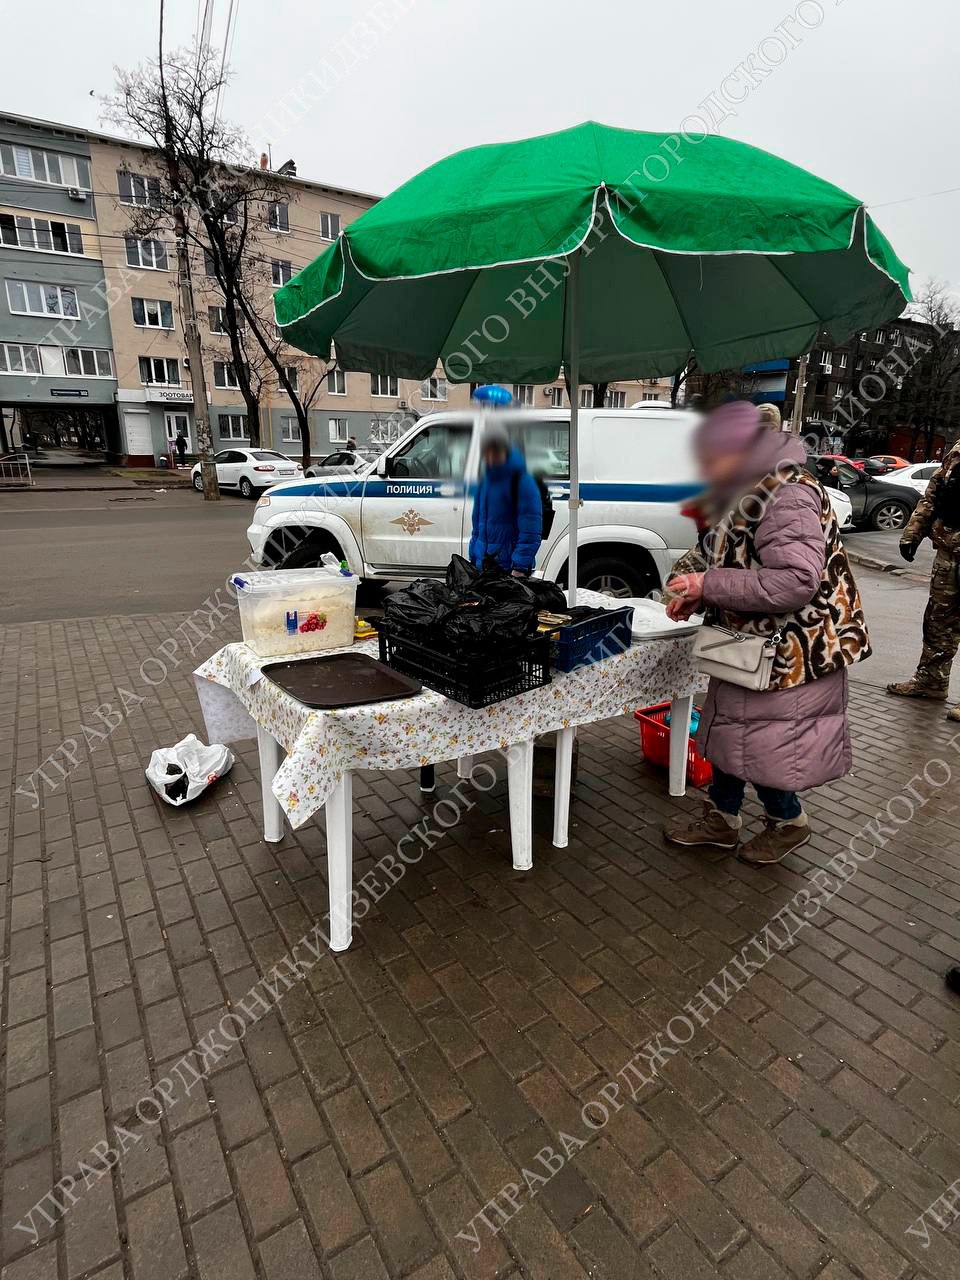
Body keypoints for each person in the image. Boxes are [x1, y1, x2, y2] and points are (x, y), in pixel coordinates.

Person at [663, 401, 871, 865]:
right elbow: (735, 561)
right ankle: (723, 817)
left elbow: (795, 581)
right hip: (749, 647)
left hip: (790, 653)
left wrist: (708, 585)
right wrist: (699, 593)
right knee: (732, 734)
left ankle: (788, 822)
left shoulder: (787, 494)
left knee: (766, 743)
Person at [886, 441, 960, 721]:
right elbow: (934, 492)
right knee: (938, 622)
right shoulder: (958, 450)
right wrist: (913, 532)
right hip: (949, 552)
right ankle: (931, 681)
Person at [469, 421, 542, 577]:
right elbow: (477, 526)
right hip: (485, 568)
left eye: (495, 453)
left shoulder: (522, 481)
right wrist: (474, 556)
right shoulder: (484, 480)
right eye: (487, 453)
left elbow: (531, 531)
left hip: (510, 570)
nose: (490, 458)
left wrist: (520, 567)